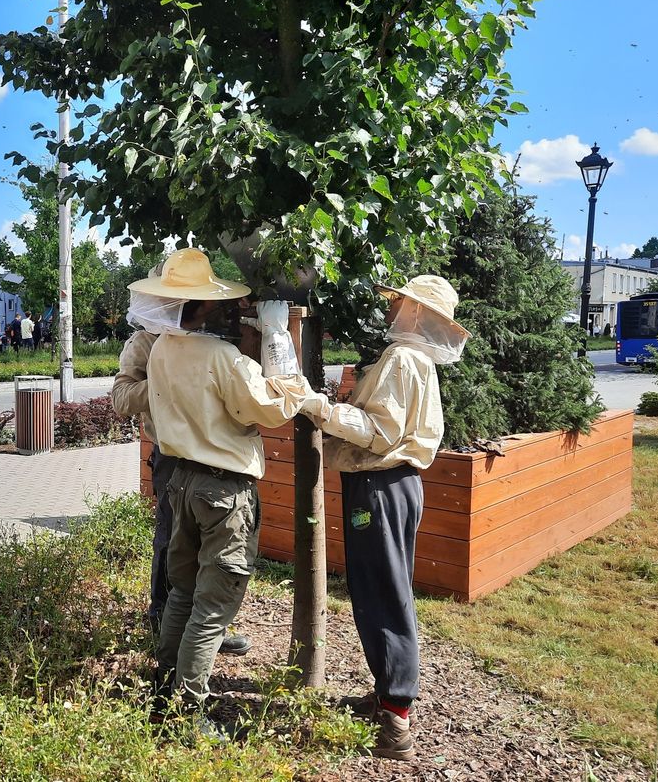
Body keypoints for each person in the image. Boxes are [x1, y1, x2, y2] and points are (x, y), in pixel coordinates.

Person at [135, 248, 324, 728]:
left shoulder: (161, 349)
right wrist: (279, 341)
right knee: (214, 606)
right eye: (213, 301)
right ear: (198, 306)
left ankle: (163, 693)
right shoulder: (221, 357)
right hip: (224, 492)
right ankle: (188, 713)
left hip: (180, 483)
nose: (224, 308)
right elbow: (270, 409)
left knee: (181, 592)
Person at [305, 275, 470, 761]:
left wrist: (317, 407)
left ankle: (396, 718)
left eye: (400, 301)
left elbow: (377, 431)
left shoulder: (403, 359)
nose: (393, 305)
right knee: (384, 587)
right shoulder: (412, 359)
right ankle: (388, 697)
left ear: (418, 312)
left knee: (382, 593)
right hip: (394, 486)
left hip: (379, 487)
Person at [111, 267, 251, 658]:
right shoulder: (144, 342)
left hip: (211, 458)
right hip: (172, 457)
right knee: (172, 540)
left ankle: (203, 631)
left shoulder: (211, 335)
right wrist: (167, 379)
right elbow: (121, 400)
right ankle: (163, 621)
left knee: (211, 552)